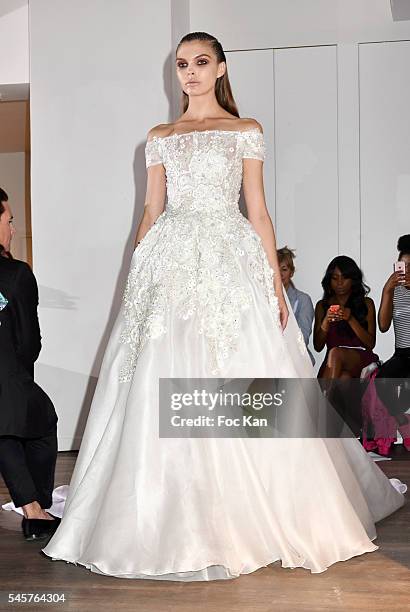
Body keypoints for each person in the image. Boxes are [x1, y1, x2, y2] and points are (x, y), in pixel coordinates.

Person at [43, 32, 405, 580]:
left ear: (220, 68)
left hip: (229, 260)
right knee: (156, 378)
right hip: (167, 263)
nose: (189, 73)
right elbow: (150, 213)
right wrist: (135, 281)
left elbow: (259, 213)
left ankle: (261, 510)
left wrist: (273, 286)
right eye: (182, 64)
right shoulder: (159, 137)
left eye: (200, 63)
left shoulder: (245, 131)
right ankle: (173, 510)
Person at [0, 188, 60, 541]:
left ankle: (35, 506)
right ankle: (37, 508)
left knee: (26, 418)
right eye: (8, 221)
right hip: (9, 376)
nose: (11, 230)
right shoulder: (17, 274)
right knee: (25, 418)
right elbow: (29, 343)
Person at [314, 256, 379, 380]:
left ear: (353, 280)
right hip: (333, 363)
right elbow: (318, 346)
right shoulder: (322, 306)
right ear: (329, 280)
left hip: (360, 358)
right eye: (335, 278)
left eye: (344, 278)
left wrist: (350, 319)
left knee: (336, 353)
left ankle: (318, 399)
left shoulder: (366, 303)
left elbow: (370, 344)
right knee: (344, 378)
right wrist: (326, 321)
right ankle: (324, 399)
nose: (339, 283)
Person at [373, 235, 410, 450]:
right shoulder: (395, 291)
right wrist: (387, 290)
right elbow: (384, 326)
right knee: (382, 380)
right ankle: (403, 422)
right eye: (402, 265)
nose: (406, 270)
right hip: (402, 353)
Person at [277, 246, 315, 364]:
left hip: (295, 357)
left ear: (291, 272)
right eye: (276, 270)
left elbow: (303, 338)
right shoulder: (263, 298)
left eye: (284, 269)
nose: (280, 274)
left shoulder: (303, 300)